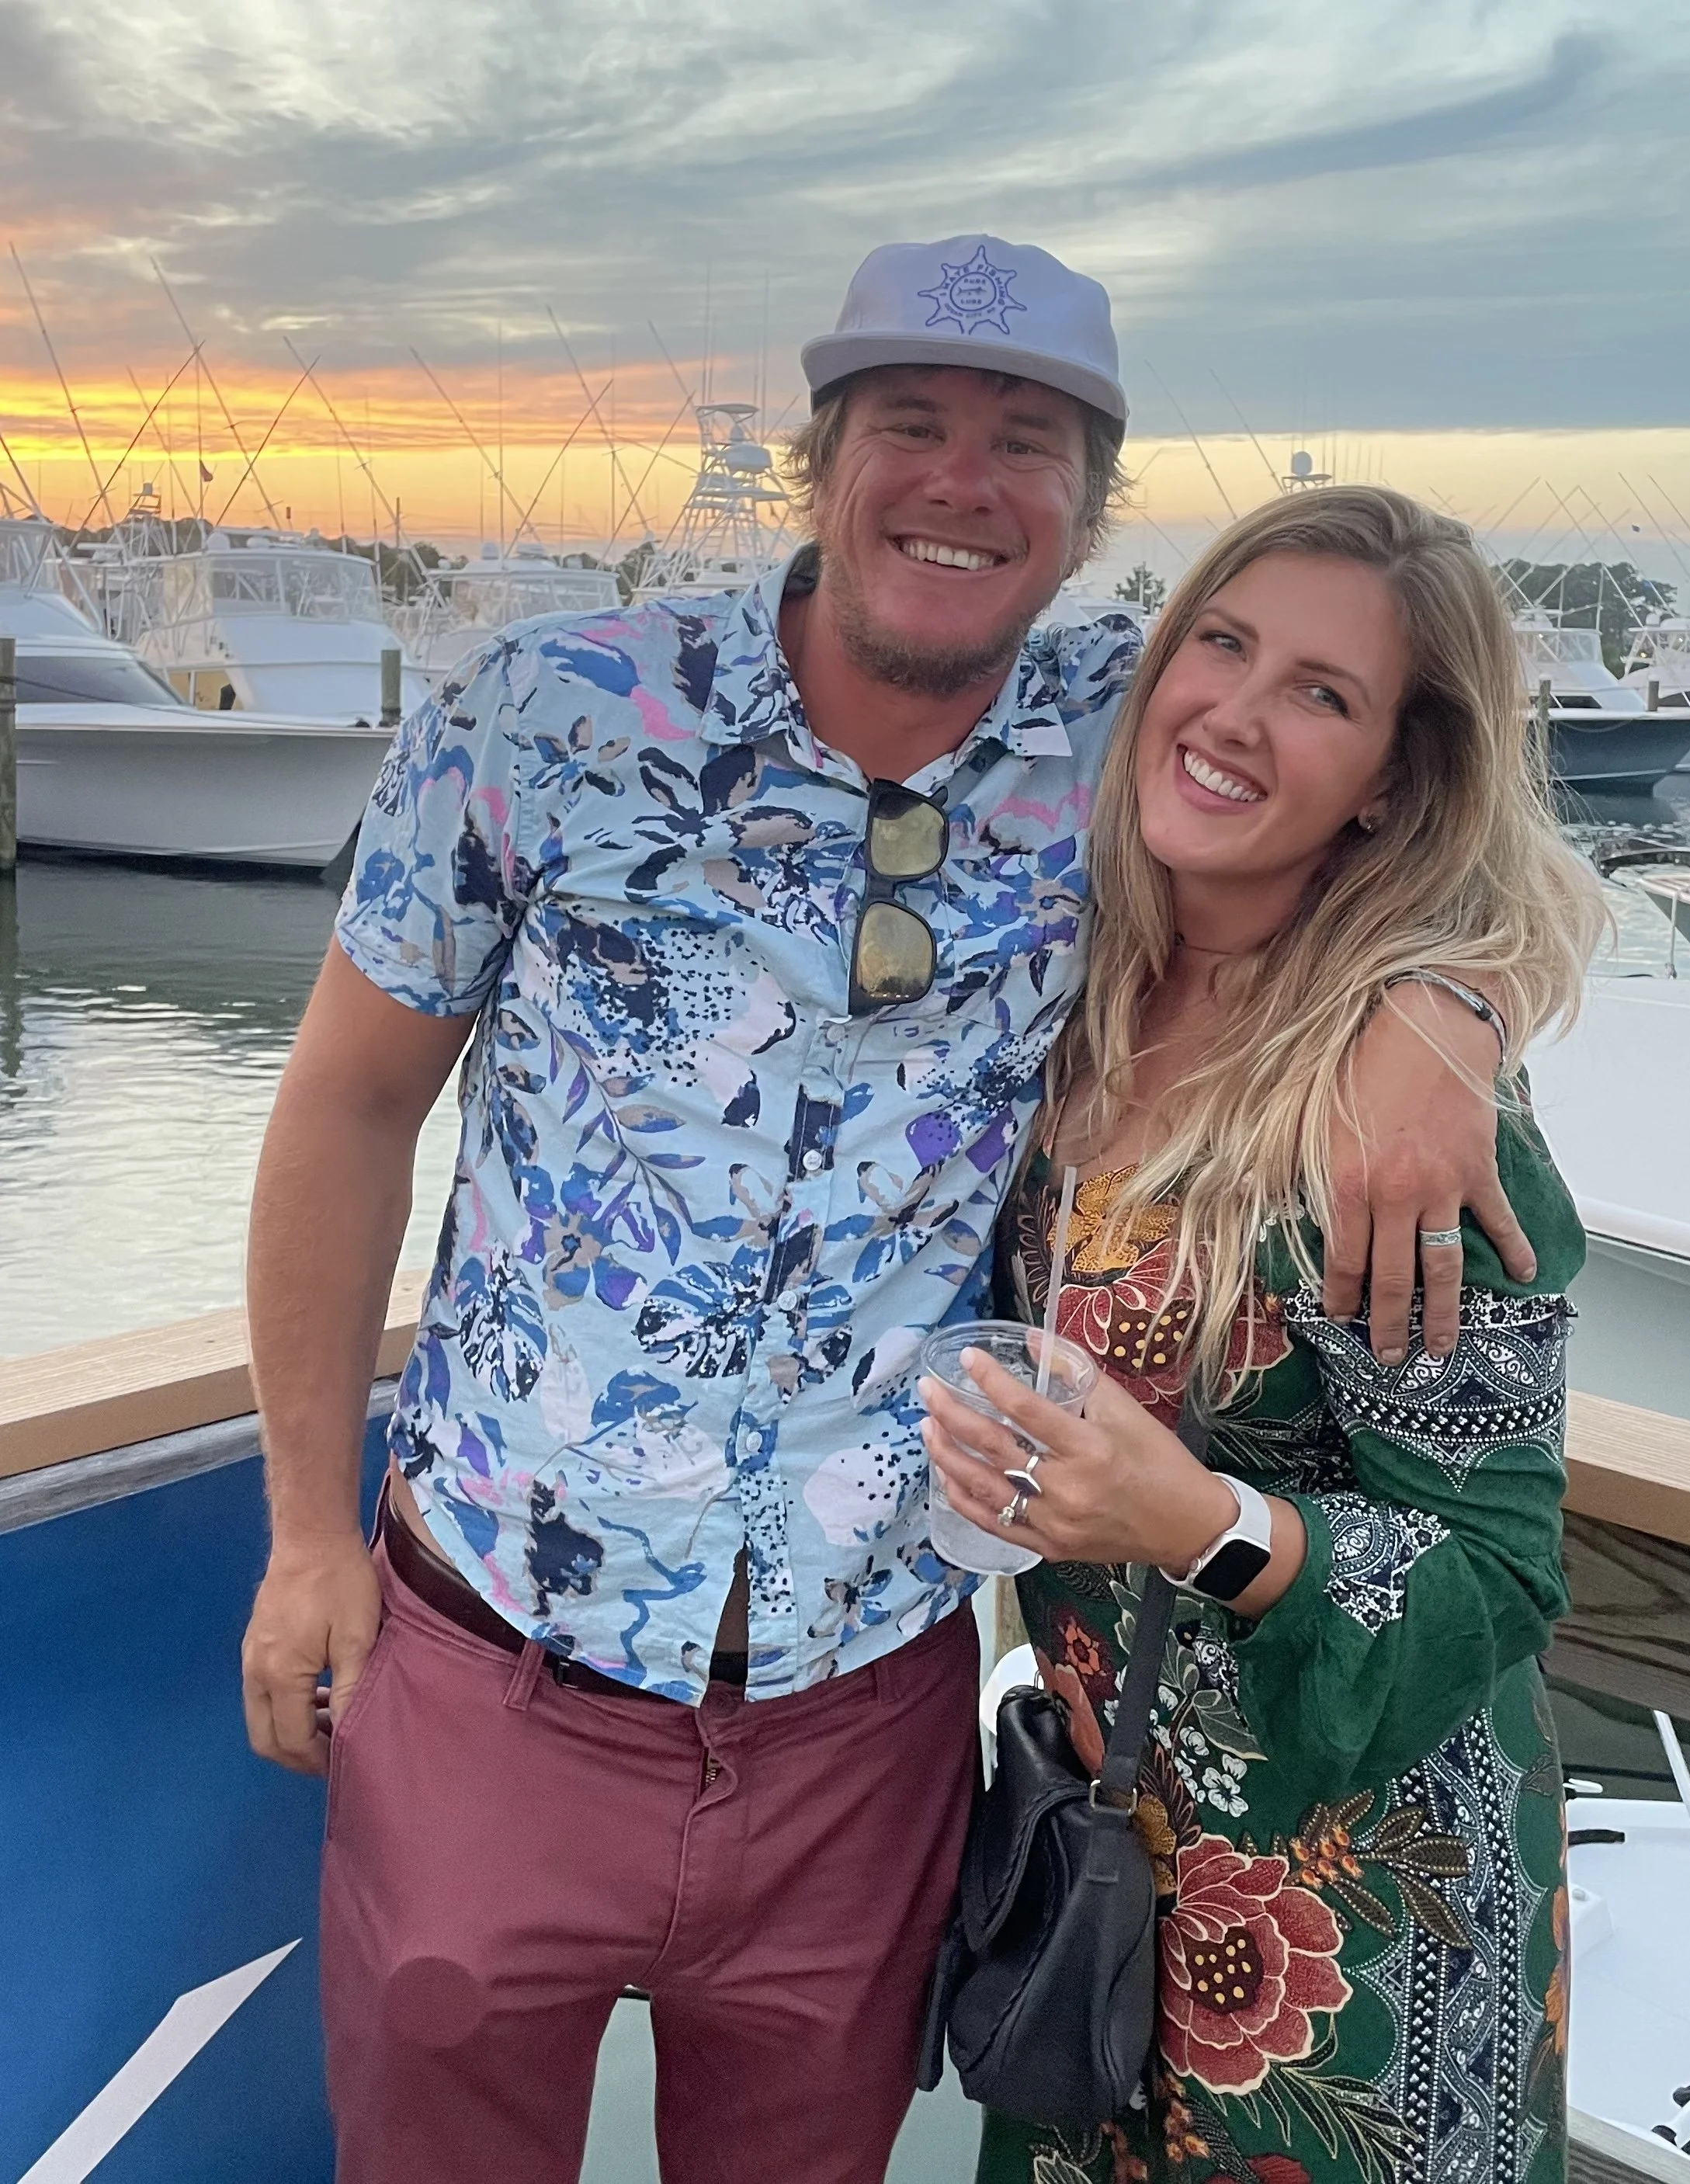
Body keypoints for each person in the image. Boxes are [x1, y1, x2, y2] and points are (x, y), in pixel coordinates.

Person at [241, 237, 1533, 2184]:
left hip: (869, 1714)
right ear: (817, 459)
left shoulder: (1140, 735)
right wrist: (297, 1533)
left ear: (1090, 510)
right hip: (495, 1654)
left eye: (1028, 441)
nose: (962, 480)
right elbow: (345, 1107)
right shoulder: (547, 712)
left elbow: (1443, 804)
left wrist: (1450, 998)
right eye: (910, 423)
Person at [920, 485, 1605, 2183]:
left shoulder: (1406, 1110)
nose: (1234, 709)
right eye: (1219, 643)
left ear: (1391, 776)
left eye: (1323, 690)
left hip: (1368, 1919)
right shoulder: (1074, 999)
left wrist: (1203, 1524)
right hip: (1099, 1872)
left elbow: (1497, 1568)